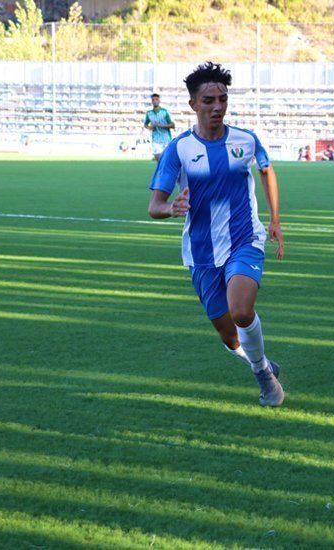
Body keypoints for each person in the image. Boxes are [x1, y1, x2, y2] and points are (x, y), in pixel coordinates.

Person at [147, 62, 286, 407]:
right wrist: (171, 209)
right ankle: (262, 362)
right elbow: (155, 205)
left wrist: (275, 221)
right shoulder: (178, 150)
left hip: (245, 239)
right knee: (228, 335)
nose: (217, 107)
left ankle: (264, 377)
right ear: (193, 104)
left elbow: (267, 171)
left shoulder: (246, 140)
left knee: (241, 311)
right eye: (208, 100)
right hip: (202, 252)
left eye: (222, 99)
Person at [144, 93, 175, 161]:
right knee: (158, 159)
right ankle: (160, 171)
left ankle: (166, 171)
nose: (155, 101)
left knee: (167, 160)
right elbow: (145, 124)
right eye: (153, 99)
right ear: (151, 101)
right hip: (155, 140)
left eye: (156, 99)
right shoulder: (149, 113)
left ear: (159, 101)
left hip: (166, 139)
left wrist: (160, 125)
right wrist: (150, 127)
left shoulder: (165, 112)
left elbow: (173, 125)